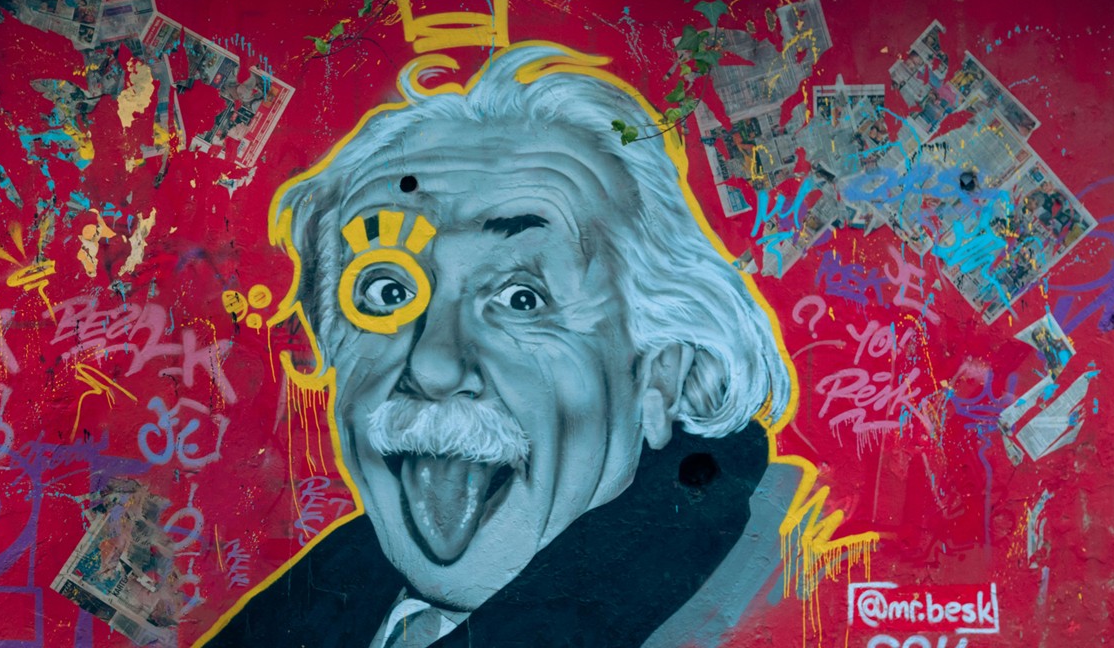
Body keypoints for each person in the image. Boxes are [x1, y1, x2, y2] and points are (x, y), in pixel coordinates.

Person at [202, 42, 799, 648]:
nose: (433, 365)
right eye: (387, 292)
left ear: (659, 375)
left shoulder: (772, 605)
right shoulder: (305, 609)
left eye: (522, 299)